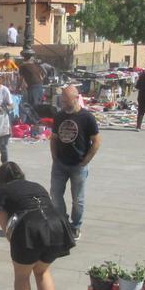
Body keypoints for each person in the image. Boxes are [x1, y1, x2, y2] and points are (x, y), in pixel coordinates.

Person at [0, 162, 75, 290]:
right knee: (42, 271)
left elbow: (5, 226)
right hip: (56, 227)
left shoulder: (1, 192)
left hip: (29, 228)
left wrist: (18, 247)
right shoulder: (36, 186)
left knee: (22, 275)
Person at [50, 85, 100, 240]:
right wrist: (54, 157)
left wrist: (86, 160)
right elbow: (54, 138)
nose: (64, 104)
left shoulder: (87, 117)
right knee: (55, 195)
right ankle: (63, 223)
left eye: (66, 101)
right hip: (60, 164)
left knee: (78, 200)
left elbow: (96, 140)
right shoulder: (59, 116)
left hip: (78, 165)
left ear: (76, 98)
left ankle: (76, 226)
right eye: (62, 101)